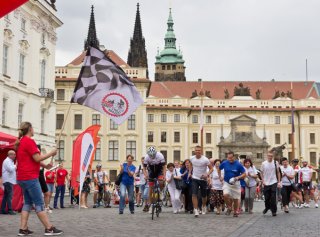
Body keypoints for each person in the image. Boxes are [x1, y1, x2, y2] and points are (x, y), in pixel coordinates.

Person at [15, 121, 63, 236]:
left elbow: (31, 159)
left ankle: (23, 229)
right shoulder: (29, 141)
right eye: (33, 127)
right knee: (39, 203)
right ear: (30, 129)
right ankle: (49, 228)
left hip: (22, 178)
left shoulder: (21, 142)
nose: (34, 129)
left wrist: (45, 166)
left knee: (27, 203)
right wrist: (51, 153)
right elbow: (37, 158)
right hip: (30, 177)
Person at [219, 151, 246, 217]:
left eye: (231, 158)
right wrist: (220, 176)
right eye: (228, 158)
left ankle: (235, 211)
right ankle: (229, 207)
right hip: (226, 182)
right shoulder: (225, 163)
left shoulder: (238, 164)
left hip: (236, 183)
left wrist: (238, 177)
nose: (230, 159)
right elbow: (219, 168)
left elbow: (244, 174)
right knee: (225, 195)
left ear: (234, 157)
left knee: (235, 199)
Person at [189, 145, 213, 217]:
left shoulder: (205, 159)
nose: (197, 152)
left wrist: (207, 174)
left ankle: (203, 206)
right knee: (194, 194)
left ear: (201, 151)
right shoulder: (192, 158)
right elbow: (190, 164)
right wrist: (190, 172)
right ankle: (196, 210)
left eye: (199, 150)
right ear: (194, 151)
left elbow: (211, 169)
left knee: (204, 196)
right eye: (196, 150)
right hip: (195, 178)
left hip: (203, 179)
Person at [143, 146, 166, 213]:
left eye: (153, 155)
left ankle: (161, 192)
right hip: (151, 171)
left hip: (159, 170)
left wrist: (164, 175)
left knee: (161, 181)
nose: (152, 157)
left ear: (155, 153)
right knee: (150, 188)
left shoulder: (160, 155)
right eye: (151, 156)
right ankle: (150, 206)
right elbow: (144, 168)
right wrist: (145, 175)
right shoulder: (146, 157)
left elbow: (164, 166)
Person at [260, 151, 281, 217]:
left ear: (273, 156)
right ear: (267, 156)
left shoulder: (275, 163)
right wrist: (263, 181)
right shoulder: (264, 163)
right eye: (269, 156)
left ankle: (274, 211)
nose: (270, 157)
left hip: (274, 181)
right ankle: (267, 207)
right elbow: (261, 172)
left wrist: (279, 181)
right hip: (266, 182)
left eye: (271, 156)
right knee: (267, 197)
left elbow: (278, 172)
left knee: (273, 197)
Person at [1, 150, 17, 215]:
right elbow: (10, 169)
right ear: (10, 155)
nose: (15, 156)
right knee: (9, 195)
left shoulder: (9, 161)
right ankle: (10, 210)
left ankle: (3, 209)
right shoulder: (7, 161)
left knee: (6, 196)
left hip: (8, 180)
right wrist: (16, 165)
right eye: (14, 154)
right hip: (8, 180)